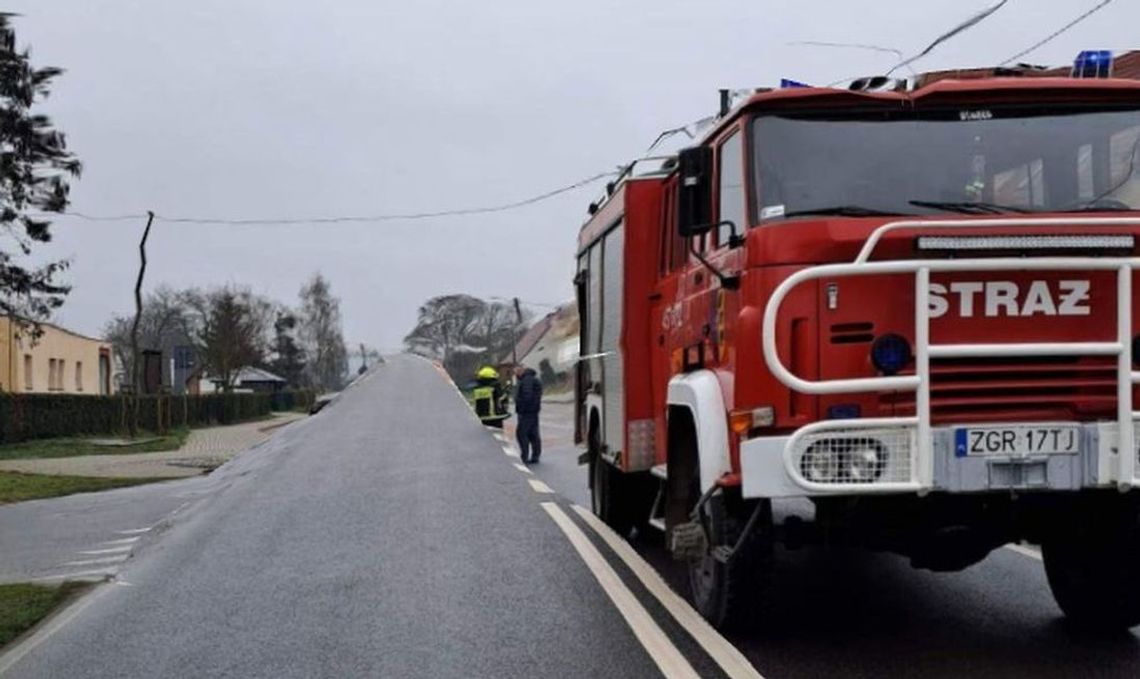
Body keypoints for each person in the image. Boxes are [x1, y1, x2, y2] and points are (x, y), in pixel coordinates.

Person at [514, 365, 543, 463]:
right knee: (533, 434)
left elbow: (527, 395)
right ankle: (535, 456)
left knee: (521, 433)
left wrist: (522, 408)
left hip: (527, 412)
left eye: (516, 372)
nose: (515, 375)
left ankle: (524, 457)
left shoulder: (527, 380)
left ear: (521, 370)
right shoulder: (530, 378)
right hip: (533, 411)